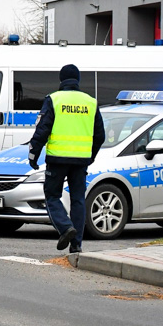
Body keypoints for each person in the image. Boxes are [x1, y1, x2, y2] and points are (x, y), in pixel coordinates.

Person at [27, 64, 105, 253]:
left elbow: (42, 130)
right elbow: (100, 135)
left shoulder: (54, 99)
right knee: (78, 199)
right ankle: (76, 244)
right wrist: (91, 156)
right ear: (77, 80)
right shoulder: (91, 102)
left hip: (57, 158)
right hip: (81, 161)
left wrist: (33, 154)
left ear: (61, 80)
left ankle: (65, 227)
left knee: (52, 196)